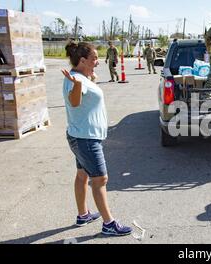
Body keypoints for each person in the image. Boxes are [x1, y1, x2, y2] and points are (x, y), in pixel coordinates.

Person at [61, 41, 132, 236]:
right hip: (85, 139)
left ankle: (83, 214)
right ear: (82, 60)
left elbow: (85, 100)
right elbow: (75, 102)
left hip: (81, 135)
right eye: (94, 58)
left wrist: (89, 79)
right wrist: (78, 84)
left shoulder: (81, 77)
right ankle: (109, 224)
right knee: (100, 179)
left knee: (82, 175)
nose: (98, 61)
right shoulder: (75, 80)